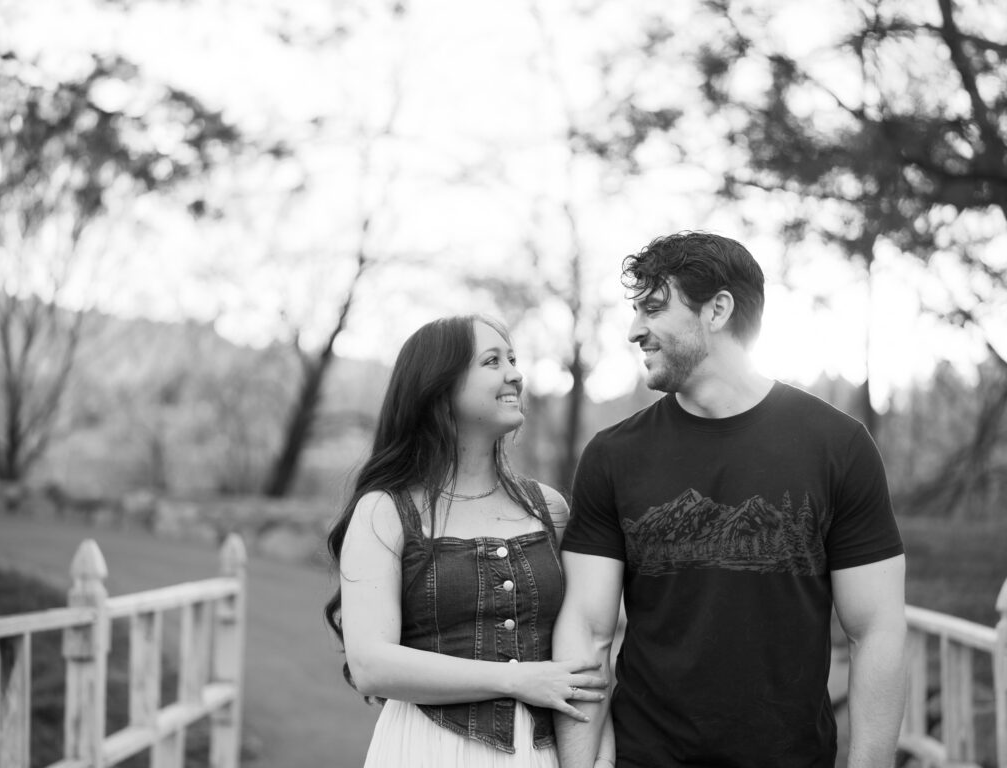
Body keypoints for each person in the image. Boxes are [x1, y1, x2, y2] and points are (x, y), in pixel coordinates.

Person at [553, 232, 907, 768]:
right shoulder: (611, 456)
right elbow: (588, 631)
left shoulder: (839, 446)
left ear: (717, 309)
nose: (634, 331)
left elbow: (876, 630)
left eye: (653, 308)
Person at [325, 314, 608, 768]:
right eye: (492, 361)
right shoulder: (385, 511)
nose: (515, 373)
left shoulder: (549, 508)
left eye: (513, 359)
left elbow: (596, 644)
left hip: (542, 756)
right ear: (440, 387)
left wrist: (602, 758)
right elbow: (370, 665)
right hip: (427, 751)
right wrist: (517, 680)